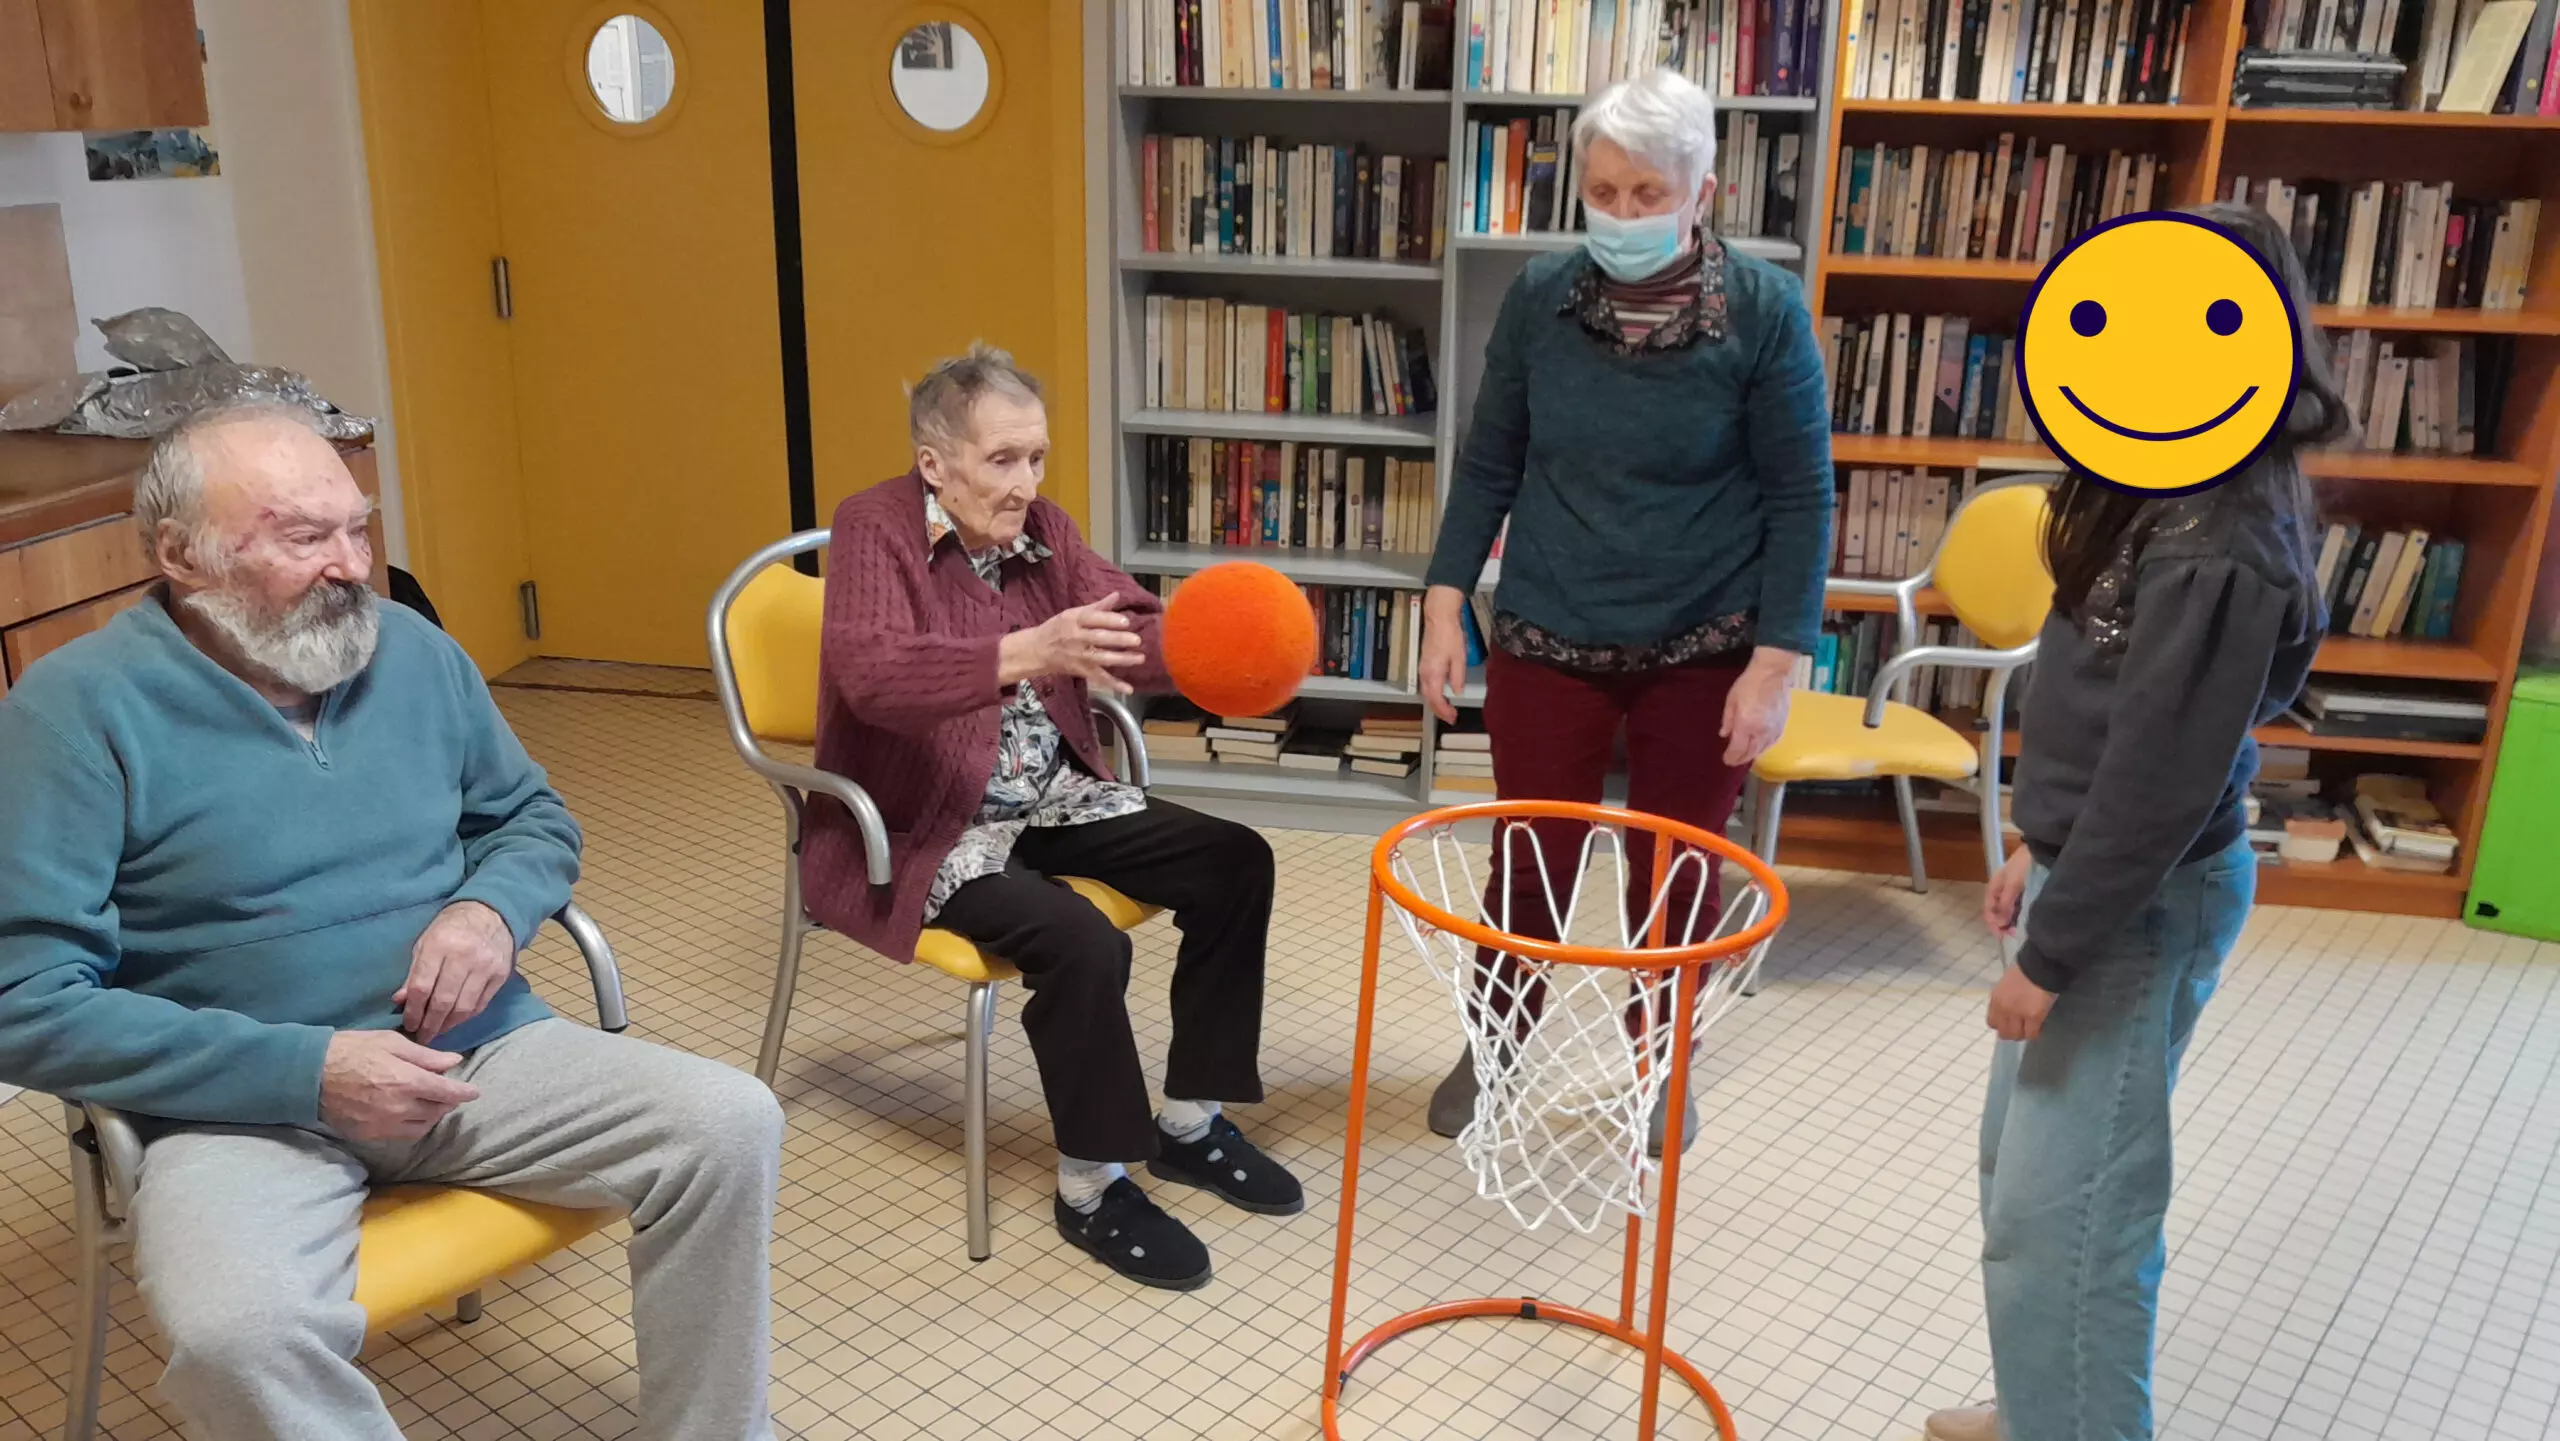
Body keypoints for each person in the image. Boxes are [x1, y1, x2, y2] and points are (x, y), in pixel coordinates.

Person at [0, 403, 786, 1441]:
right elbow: (23, 1004)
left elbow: (529, 816)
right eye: (304, 536)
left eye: (358, 528)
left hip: (474, 1055)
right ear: (182, 557)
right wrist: (307, 1069)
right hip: (237, 1106)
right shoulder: (73, 711)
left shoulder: (412, 651)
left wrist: (488, 910)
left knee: (729, 1122)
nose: (351, 567)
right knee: (237, 1333)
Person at [1925, 201, 2348, 1441]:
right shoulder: (2141, 479)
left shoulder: (2224, 537)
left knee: (2072, 1222)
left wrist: (2054, 953)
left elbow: (2163, 776)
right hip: (2089, 873)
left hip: (2137, 904)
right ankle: (2040, 1409)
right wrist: (2035, 836)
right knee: (2022, 1184)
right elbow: (2100, 701)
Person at [803, 343, 1300, 1292]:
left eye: (1036, 456)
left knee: (1236, 860)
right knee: (1080, 940)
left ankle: (1190, 1122)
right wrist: (1031, 649)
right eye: (1002, 459)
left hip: (1053, 796)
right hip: (926, 826)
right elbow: (872, 675)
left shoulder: (1047, 530)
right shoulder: (874, 528)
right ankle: (1092, 1185)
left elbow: (1127, 623)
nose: (1026, 482)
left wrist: (1224, 643)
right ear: (934, 463)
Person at [1415, 67, 1833, 1150]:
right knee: (1529, 858)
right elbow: (1490, 459)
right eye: (1603, 192)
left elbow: (1801, 497)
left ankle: (1660, 1060)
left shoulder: (1764, 311)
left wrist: (1775, 663)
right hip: (1549, 625)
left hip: (1706, 640)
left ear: (1703, 193)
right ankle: (1495, 1041)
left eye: (1649, 193)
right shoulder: (1540, 298)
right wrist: (1443, 601)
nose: (1623, 213)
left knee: (1676, 869)